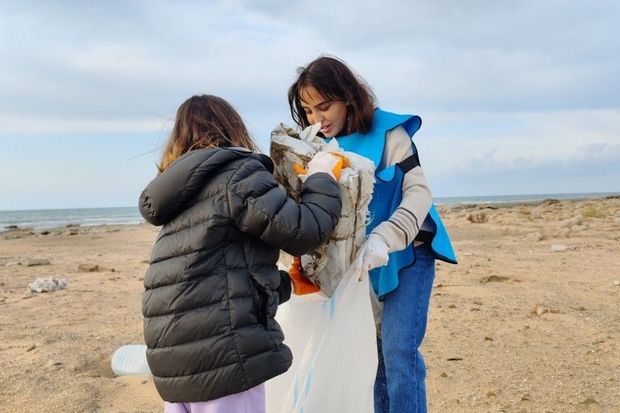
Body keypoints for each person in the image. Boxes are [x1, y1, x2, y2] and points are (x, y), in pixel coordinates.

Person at [138, 94, 344, 413]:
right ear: (232, 128)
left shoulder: (177, 195)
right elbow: (303, 231)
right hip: (223, 356)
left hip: (171, 362)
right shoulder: (237, 174)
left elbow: (215, 277)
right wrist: (321, 176)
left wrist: (286, 286)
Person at [288, 56, 457, 413]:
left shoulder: (389, 133)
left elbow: (419, 193)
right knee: (372, 355)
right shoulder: (317, 147)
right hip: (361, 266)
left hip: (408, 253)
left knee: (399, 353)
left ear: (348, 96)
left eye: (324, 106)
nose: (317, 119)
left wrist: (385, 236)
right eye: (307, 110)